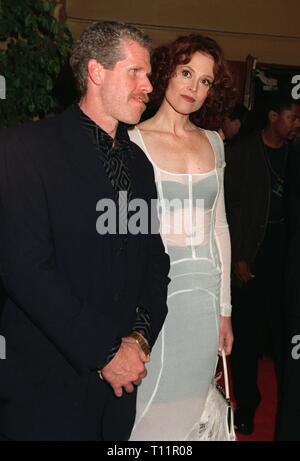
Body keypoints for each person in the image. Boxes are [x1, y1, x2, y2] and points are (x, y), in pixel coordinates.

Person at [0, 21, 170, 441]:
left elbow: (154, 260)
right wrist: (105, 353)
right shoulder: (25, 149)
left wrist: (139, 341)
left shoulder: (139, 165)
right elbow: (25, 269)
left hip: (117, 393)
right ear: (96, 72)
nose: (149, 86)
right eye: (137, 72)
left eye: (148, 76)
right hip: (46, 386)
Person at [128, 34, 234, 441]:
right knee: (148, 403)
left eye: (205, 81)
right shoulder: (133, 141)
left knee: (191, 403)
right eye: (187, 72)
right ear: (167, 71)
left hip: (204, 299)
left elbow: (219, 226)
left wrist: (225, 307)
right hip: (155, 297)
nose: (193, 87)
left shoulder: (213, 142)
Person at [225, 94, 299, 435]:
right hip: (254, 253)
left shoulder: (295, 154)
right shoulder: (242, 153)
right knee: (248, 339)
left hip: (288, 257)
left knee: (286, 337)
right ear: (272, 117)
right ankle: (247, 406)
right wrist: (238, 255)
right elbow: (230, 210)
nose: (296, 124)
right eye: (291, 117)